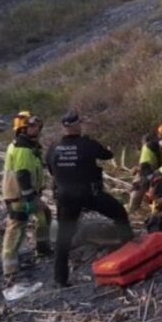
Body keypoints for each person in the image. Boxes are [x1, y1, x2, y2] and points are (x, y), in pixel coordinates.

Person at [46, 109, 132, 287]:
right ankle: (130, 252)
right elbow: (108, 155)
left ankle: (59, 279)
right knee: (120, 213)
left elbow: (50, 169)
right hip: (89, 194)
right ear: (77, 125)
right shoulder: (86, 144)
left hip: (65, 197)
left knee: (63, 238)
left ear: (63, 128)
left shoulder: (53, 146)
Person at [0, 111, 51, 279]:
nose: (38, 129)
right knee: (16, 227)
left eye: (37, 126)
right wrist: (29, 197)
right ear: (23, 129)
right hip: (19, 195)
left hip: (28, 194)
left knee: (44, 214)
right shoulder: (22, 148)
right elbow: (22, 174)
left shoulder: (29, 146)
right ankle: (10, 270)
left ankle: (42, 249)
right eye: (33, 126)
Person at [129, 123, 162, 211]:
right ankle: (132, 210)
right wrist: (153, 178)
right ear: (160, 135)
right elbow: (145, 167)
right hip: (149, 172)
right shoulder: (149, 147)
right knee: (139, 188)